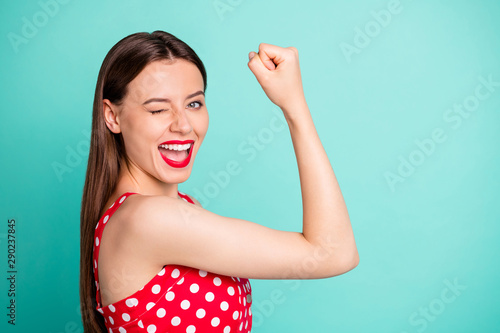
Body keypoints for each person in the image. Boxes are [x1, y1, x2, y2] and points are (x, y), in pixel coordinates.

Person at [80, 30, 359, 333]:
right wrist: (294, 107)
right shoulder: (148, 219)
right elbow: (334, 253)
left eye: (194, 104)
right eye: (158, 109)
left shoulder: (176, 208)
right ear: (112, 116)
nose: (183, 125)